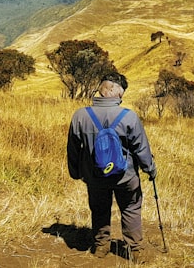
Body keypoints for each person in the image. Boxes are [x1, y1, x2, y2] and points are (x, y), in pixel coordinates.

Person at [67, 73, 157, 262]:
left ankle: (101, 246)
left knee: (99, 208)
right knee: (131, 208)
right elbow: (141, 148)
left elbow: (73, 148)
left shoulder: (80, 116)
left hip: (95, 176)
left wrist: (75, 172)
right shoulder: (129, 117)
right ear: (113, 90)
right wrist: (150, 169)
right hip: (126, 176)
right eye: (122, 92)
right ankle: (136, 250)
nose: (122, 97)